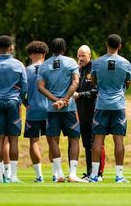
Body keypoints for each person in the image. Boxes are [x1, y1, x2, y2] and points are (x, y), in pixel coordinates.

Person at [37, 38, 86, 183]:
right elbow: (76, 82)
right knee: (75, 139)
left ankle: (58, 173)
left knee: (53, 140)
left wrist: (56, 100)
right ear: (64, 49)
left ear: (51, 49)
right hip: (69, 108)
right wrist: (64, 100)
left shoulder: (44, 65)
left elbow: (40, 87)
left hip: (52, 109)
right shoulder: (71, 62)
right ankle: (72, 174)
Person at [88, 34, 131, 183]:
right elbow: (128, 83)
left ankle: (94, 175)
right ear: (119, 46)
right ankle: (119, 176)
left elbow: (93, 81)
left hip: (101, 104)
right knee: (118, 140)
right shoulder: (126, 63)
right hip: (118, 105)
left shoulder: (97, 62)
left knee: (98, 139)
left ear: (106, 44)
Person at [0, 35, 27, 183]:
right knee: (13, 139)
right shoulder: (19, 64)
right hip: (13, 102)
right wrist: (19, 99)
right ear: (11, 48)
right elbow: (24, 87)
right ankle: (13, 176)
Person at [72, 45, 106, 180]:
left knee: (96, 142)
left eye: (83, 56)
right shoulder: (77, 71)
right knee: (86, 143)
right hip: (81, 112)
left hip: (94, 111)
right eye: (79, 55)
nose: (80, 58)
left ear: (89, 56)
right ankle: (89, 172)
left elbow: (96, 90)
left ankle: (99, 173)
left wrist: (80, 94)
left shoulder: (95, 69)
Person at [23, 41, 49, 182]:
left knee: (34, 141)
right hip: (50, 110)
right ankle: (57, 173)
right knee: (53, 141)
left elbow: (21, 92)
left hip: (33, 110)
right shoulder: (50, 68)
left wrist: (26, 104)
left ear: (30, 55)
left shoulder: (26, 70)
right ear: (44, 55)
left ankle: (39, 176)